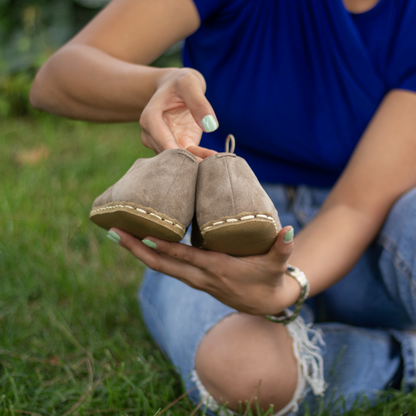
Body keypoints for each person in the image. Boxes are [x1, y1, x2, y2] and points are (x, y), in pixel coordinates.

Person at [30, 0, 416, 414]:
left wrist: (284, 285)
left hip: (373, 230)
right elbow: (56, 80)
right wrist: (162, 82)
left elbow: (355, 207)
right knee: (247, 375)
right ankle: (400, 355)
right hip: (217, 224)